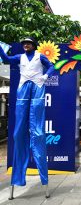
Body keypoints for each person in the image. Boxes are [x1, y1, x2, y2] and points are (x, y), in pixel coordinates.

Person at [0, 37, 54, 199]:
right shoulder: (19, 57)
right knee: (19, 132)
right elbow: (6, 59)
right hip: (23, 86)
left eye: (28, 43)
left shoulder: (40, 56)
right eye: (24, 43)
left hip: (37, 85)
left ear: (33, 45)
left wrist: (45, 77)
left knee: (37, 130)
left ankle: (43, 177)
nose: (25, 45)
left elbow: (51, 66)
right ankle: (18, 177)